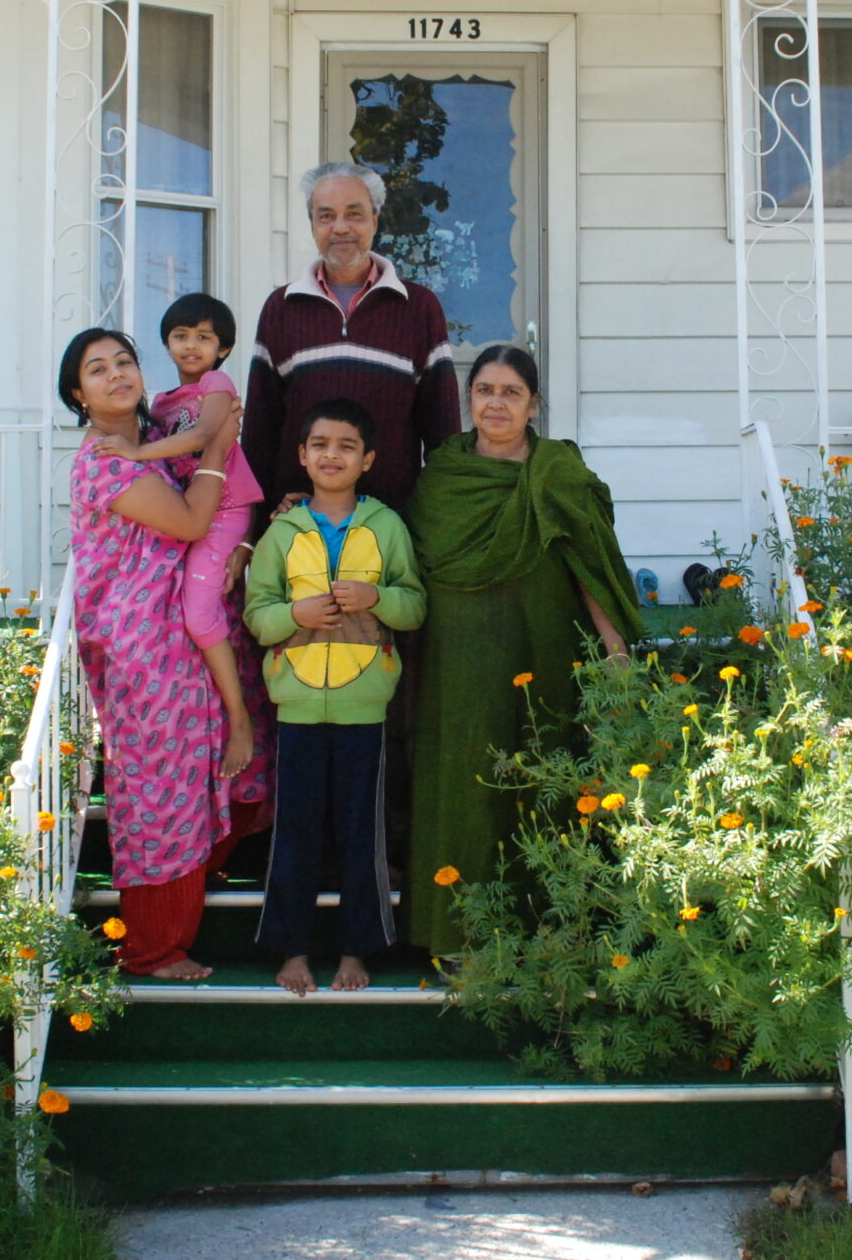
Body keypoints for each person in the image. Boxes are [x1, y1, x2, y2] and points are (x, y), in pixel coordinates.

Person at [404, 344, 641, 959]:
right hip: (458, 655)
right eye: (485, 390)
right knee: (465, 777)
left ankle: (548, 931)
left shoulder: (558, 471)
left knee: (545, 770)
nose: (497, 403)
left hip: (544, 641)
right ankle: (459, 934)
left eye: (511, 392)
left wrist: (613, 644)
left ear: (534, 403)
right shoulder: (442, 476)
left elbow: (590, 562)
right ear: (468, 400)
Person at [60, 326, 272, 982]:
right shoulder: (105, 458)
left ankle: (190, 900)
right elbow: (186, 522)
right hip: (142, 645)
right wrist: (217, 445)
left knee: (221, 757)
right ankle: (153, 948)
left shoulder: (148, 443)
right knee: (160, 788)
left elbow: (220, 513)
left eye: (124, 361)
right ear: (79, 393)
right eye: (98, 369)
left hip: (182, 635)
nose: (117, 373)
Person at [242, 400, 428, 995]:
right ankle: (292, 950)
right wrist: (294, 612)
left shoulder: (387, 528)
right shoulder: (282, 531)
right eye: (319, 444)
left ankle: (356, 950)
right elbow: (256, 614)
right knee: (294, 833)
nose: (331, 455)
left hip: (364, 709)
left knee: (360, 834)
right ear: (301, 455)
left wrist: (375, 600)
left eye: (346, 446)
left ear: (368, 460)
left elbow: (415, 605)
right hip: (295, 707)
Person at [93, 291, 263, 780]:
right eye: (181, 336)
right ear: (166, 343)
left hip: (224, 510)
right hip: (193, 513)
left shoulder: (216, 382)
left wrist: (132, 452)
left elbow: (205, 436)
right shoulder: (163, 404)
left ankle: (240, 721)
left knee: (198, 613)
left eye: (204, 337)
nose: (192, 345)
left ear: (223, 348)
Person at [242, 161, 460, 514]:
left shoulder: (419, 308)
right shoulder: (281, 308)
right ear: (311, 224)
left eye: (354, 214)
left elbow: (443, 434)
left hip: (392, 528)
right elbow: (259, 433)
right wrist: (260, 523)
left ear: (374, 219)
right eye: (326, 216)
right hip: (299, 529)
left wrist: (435, 524)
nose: (340, 227)